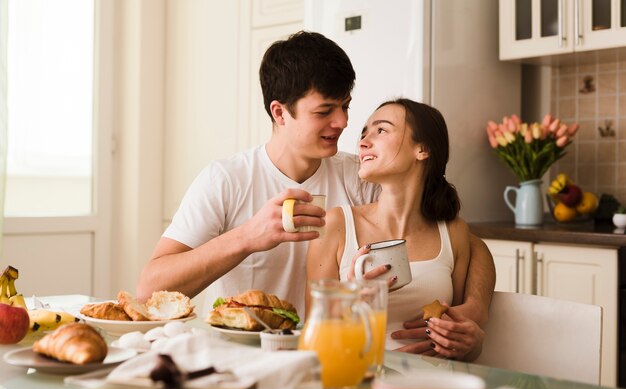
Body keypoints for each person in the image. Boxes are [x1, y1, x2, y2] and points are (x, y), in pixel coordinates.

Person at [138, 31, 495, 328]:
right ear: (280, 112)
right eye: (325, 111)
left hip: (327, 353)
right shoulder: (227, 180)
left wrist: (476, 307)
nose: (342, 122)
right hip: (246, 355)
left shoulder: (359, 177)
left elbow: (467, 244)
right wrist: (248, 236)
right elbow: (149, 289)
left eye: (345, 106)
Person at [306, 99, 485, 361]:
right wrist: (349, 303)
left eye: (381, 130)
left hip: (432, 385)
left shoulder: (454, 232)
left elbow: (460, 342)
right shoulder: (335, 225)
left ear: (422, 149)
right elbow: (314, 342)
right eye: (364, 133)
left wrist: (473, 341)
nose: (363, 142)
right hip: (360, 380)